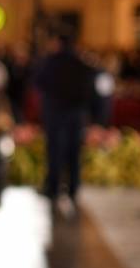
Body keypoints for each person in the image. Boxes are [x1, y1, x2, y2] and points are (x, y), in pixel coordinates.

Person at [34, 31, 96, 209]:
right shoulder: (81, 63)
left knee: (55, 150)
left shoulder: (51, 62)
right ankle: (73, 187)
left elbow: (38, 81)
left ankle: (53, 187)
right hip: (76, 113)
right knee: (74, 150)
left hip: (56, 112)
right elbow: (91, 87)